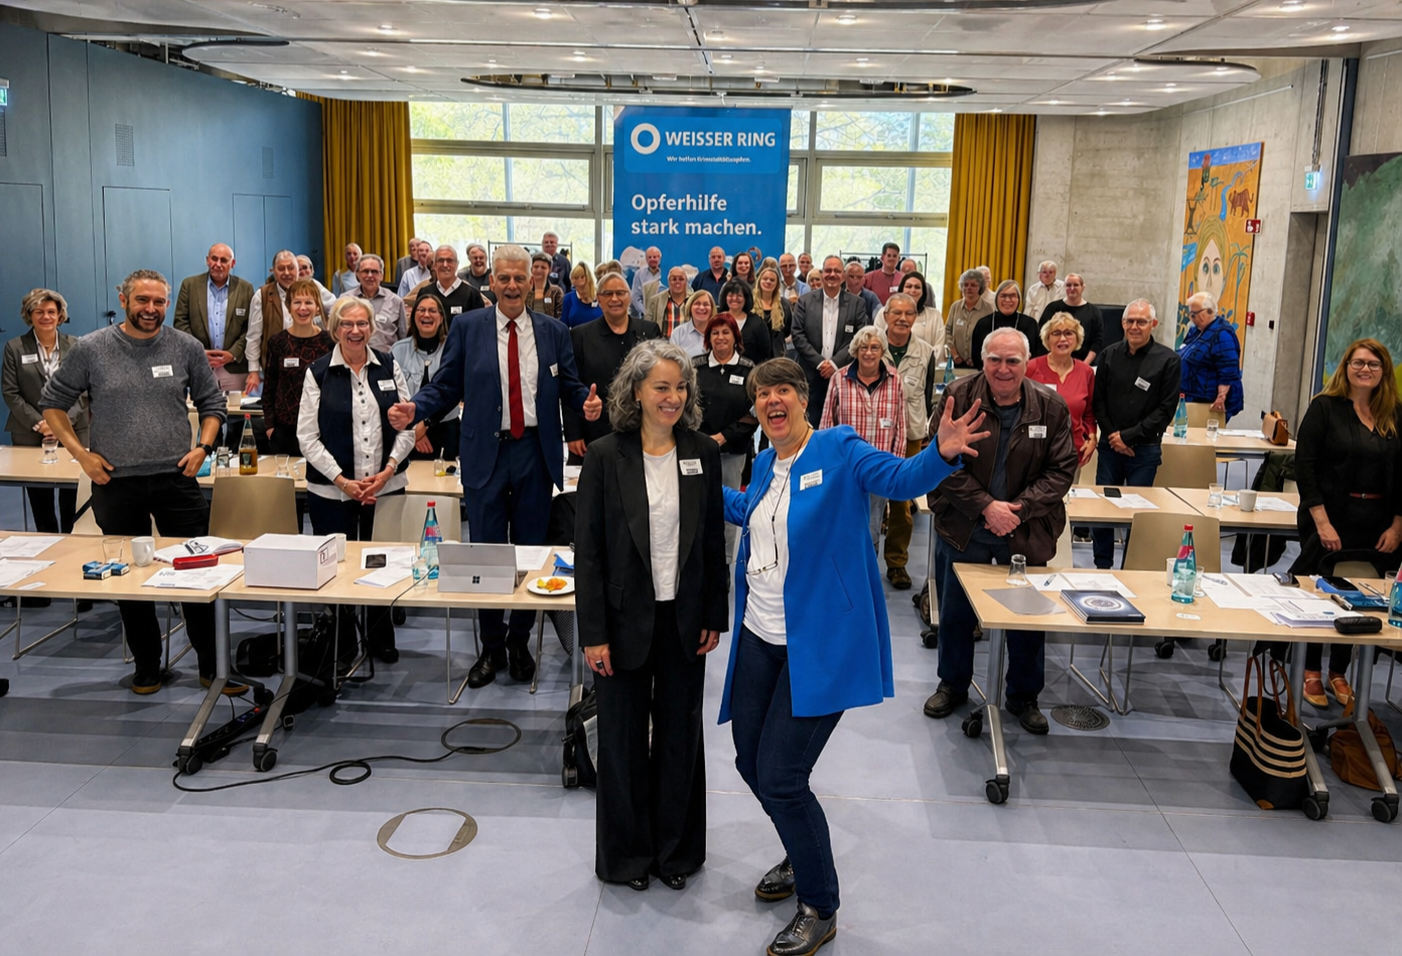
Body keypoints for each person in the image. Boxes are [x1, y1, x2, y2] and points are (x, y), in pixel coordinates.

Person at [720, 357, 986, 956]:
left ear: (803, 399)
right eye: (762, 394)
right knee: (749, 761)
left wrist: (940, 454)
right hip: (760, 634)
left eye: (783, 390)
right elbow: (749, 511)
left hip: (819, 643)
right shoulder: (763, 463)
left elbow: (900, 478)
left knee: (782, 777)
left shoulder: (838, 448)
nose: (772, 401)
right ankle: (800, 849)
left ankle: (819, 906)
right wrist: (689, 484)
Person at [387, 244, 603, 688]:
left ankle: (519, 641)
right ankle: (490, 646)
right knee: (485, 552)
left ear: (532, 281)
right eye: (503, 278)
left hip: (535, 454)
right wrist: (417, 409)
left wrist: (587, 403)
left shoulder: (553, 331)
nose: (511, 285)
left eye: (519, 278)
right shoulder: (467, 327)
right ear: (492, 282)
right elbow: (446, 385)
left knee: (528, 551)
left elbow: (571, 384)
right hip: (484, 454)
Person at [575, 340, 727, 892]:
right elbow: (589, 553)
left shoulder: (702, 453)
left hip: (684, 619)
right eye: (661, 387)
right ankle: (626, 857)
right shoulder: (604, 456)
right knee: (620, 741)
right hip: (621, 622)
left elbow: (712, 541)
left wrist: (714, 613)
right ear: (636, 390)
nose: (673, 397)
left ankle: (675, 852)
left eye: (681, 387)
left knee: (680, 736)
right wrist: (593, 633)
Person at [39, 269, 231, 695]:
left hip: (177, 478)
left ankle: (213, 665)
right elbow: (52, 404)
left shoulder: (185, 346)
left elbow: (212, 403)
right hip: (115, 481)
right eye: (142, 300)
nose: (150, 309)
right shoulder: (91, 348)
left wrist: (203, 446)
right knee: (129, 578)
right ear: (123, 300)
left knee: (198, 572)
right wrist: (81, 455)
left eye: (159, 302)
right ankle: (147, 665)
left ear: (167, 304)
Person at [924, 327, 1076, 735]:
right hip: (965, 525)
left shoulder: (1050, 406)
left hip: (1025, 529)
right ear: (983, 360)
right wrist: (986, 506)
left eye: (1012, 361)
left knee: (1027, 618)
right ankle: (952, 684)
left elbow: (1062, 469)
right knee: (956, 614)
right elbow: (938, 460)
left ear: (1027, 363)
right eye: (995, 360)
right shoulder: (957, 396)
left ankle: (1024, 696)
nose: (1003, 369)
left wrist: (1019, 510)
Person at [298, 297, 413, 663]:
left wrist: (389, 469)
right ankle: (343, 643)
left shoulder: (389, 366)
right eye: (347, 324)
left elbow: (408, 426)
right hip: (332, 492)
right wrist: (343, 481)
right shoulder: (318, 372)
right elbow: (307, 437)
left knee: (382, 564)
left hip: (386, 487)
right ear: (335, 329)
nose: (355, 330)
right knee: (338, 569)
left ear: (372, 328)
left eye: (362, 323)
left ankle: (380, 637)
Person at [1289, 338, 1402, 709]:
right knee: (1319, 594)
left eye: (1373, 364)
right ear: (1346, 367)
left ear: (1383, 370)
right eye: (1358, 362)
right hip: (1329, 518)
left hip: (1379, 523)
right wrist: (1322, 523)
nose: (1365, 369)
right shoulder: (1325, 407)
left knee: (1363, 598)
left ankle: (1339, 670)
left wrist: (1398, 525)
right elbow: (1304, 467)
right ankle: (1310, 668)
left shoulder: (1394, 413)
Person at [1090, 300, 1181, 568]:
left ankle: (1131, 567)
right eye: (1130, 321)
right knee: (1102, 509)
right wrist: (1114, 437)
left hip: (1145, 449)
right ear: (1122, 323)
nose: (1134, 326)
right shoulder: (1108, 355)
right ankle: (1102, 566)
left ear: (1153, 324)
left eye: (1141, 321)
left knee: (1138, 513)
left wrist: (1128, 437)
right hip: (1110, 448)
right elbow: (1099, 402)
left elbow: (1165, 410)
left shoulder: (1168, 360)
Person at [4, 289, 90, 535]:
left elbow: (84, 391)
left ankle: (72, 543)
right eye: (39, 312)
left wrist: (60, 423)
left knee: (72, 496)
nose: (46, 317)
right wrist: (41, 423)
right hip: (30, 431)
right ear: (29, 315)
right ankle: (47, 542)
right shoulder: (14, 347)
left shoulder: (76, 346)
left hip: (73, 428)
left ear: (60, 315)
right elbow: (10, 392)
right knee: (40, 498)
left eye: (51, 311)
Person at [819, 326, 907, 549]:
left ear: (882, 351)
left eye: (874, 347)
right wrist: (827, 465)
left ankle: (868, 569)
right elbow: (826, 425)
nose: (868, 353)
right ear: (855, 351)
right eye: (863, 348)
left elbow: (901, 427)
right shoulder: (839, 379)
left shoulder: (895, 380)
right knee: (843, 527)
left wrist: (896, 467)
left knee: (872, 530)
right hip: (845, 468)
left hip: (880, 468)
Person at [565, 272, 663, 459]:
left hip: (642, 429)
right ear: (598, 298)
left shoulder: (649, 331)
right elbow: (570, 385)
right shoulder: (580, 336)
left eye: (620, 293)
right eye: (608, 293)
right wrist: (573, 433)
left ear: (629, 296)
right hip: (594, 431)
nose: (615, 299)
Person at [877, 292, 938, 589]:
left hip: (910, 436)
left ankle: (897, 563)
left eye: (909, 314)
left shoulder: (925, 352)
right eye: (896, 313)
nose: (902, 319)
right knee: (864, 501)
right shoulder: (871, 345)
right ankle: (861, 561)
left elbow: (926, 396)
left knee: (902, 503)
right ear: (886, 316)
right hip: (873, 435)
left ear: (915, 317)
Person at [692, 312, 757, 561]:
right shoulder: (695, 367)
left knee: (727, 509)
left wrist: (724, 436)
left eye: (726, 332)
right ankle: (698, 557)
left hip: (733, 451)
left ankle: (725, 561)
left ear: (735, 337)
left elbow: (754, 414)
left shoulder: (748, 369)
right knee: (697, 503)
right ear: (708, 338)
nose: (720, 337)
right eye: (715, 333)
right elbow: (685, 407)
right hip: (697, 450)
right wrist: (702, 439)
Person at [262, 279, 333, 457]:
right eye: (297, 302)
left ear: (317, 307)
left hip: (322, 428)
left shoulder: (329, 342)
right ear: (288, 307)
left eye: (308, 302)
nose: (303, 308)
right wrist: (270, 427)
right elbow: (269, 387)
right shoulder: (277, 342)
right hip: (284, 430)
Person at [791, 256, 865, 426]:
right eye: (828, 270)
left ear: (843, 276)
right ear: (822, 273)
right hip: (810, 376)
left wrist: (834, 363)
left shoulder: (857, 304)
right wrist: (820, 362)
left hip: (844, 376)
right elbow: (797, 334)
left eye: (837, 271)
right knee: (809, 427)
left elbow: (859, 337)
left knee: (840, 427)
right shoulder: (805, 301)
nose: (832, 274)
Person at [173, 243, 256, 392]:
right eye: (214, 259)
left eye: (224, 260)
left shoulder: (245, 288)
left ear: (232, 263)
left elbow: (250, 327)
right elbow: (181, 323)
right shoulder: (190, 285)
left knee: (234, 407)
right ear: (207, 260)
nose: (218, 264)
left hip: (234, 369)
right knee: (199, 406)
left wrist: (233, 354)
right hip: (199, 366)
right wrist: (199, 351)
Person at [1027, 312, 1097, 478]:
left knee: (1069, 495)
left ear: (1077, 339)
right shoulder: (1030, 368)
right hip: (1034, 451)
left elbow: (1089, 413)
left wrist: (1092, 438)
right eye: (1056, 333)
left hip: (1072, 452)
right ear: (1047, 338)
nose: (1063, 339)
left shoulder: (1086, 372)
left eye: (1069, 333)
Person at [391, 294, 459, 463]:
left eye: (432, 310)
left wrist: (424, 424)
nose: (426, 314)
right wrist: (415, 431)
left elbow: (452, 392)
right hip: (408, 432)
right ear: (413, 317)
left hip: (446, 430)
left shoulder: (453, 349)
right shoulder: (398, 350)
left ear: (441, 318)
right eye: (421, 310)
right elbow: (393, 394)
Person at [1178, 291, 1244, 422]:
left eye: (1193, 314)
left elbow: (1229, 371)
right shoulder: (1196, 331)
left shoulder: (1222, 335)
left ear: (1206, 313)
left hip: (1207, 402)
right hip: (1191, 397)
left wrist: (1221, 397)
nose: (1191, 318)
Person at [244, 249, 301, 391]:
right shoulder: (262, 295)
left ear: (298, 269)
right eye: (281, 268)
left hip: (306, 366)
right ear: (273, 271)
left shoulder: (311, 290)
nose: (286, 273)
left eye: (291, 267)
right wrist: (253, 371)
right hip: (274, 369)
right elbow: (253, 337)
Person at [339, 253, 408, 354]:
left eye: (374, 272)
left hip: (386, 359)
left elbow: (403, 338)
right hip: (352, 357)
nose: (370, 275)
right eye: (365, 271)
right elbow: (336, 332)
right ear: (357, 274)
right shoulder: (344, 300)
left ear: (381, 275)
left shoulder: (396, 301)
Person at [873, 270, 944, 361]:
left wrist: (921, 364)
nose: (913, 290)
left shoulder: (935, 315)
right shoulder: (884, 312)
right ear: (901, 289)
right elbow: (876, 340)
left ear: (923, 292)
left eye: (917, 287)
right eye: (908, 286)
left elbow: (939, 347)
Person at [412, 245, 486, 328]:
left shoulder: (472, 295)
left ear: (457, 264)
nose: (445, 265)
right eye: (441, 260)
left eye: (450, 261)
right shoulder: (424, 293)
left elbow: (479, 328)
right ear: (435, 265)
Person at [1037, 273, 1103, 363]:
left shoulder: (1094, 312)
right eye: (1068, 285)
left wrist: (1084, 365)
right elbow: (1042, 336)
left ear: (1083, 287)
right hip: (1054, 362)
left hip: (1084, 362)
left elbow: (1097, 342)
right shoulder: (1052, 308)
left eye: (1076, 285)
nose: (1072, 288)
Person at [971, 280, 1042, 362]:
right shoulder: (983, 324)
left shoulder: (1030, 324)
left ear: (1018, 299)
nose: (1007, 300)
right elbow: (976, 356)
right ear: (996, 298)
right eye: (1003, 296)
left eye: (1012, 296)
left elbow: (1034, 356)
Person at [945, 268, 993, 368]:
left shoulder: (988, 308)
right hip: (957, 362)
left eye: (973, 285)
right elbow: (948, 331)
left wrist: (977, 358)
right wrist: (955, 355)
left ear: (980, 287)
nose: (969, 288)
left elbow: (991, 336)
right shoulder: (955, 307)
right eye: (965, 285)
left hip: (979, 364)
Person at [719, 279, 773, 364]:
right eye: (731, 295)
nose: (734, 299)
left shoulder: (758, 324)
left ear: (746, 298)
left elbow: (765, 353)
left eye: (739, 296)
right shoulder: (717, 320)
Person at [753, 264, 793, 360]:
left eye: (772, 280)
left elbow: (788, 330)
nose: (768, 282)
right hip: (754, 355)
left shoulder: (784, 304)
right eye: (765, 279)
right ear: (759, 281)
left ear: (777, 284)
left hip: (778, 355)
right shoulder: (750, 302)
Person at [647, 266, 691, 338]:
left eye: (681, 279)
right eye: (674, 279)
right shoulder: (655, 301)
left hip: (687, 343)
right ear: (668, 281)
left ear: (686, 281)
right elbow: (648, 327)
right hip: (663, 344)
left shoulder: (694, 301)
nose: (677, 282)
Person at [670, 290, 714, 360]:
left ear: (712, 309)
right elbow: (672, 361)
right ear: (690, 307)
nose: (701, 308)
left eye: (706, 304)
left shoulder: (718, 332)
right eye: (697, 304)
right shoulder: (678, 333)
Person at [561, 262, 604, 329]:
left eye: (582, 277)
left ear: (588, 278)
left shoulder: (601, 296)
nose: (579, 280)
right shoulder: (568, 298)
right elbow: (563, 326)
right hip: (575, 335)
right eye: (576, 278)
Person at [525, 251, 565, 320]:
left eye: (543, 267)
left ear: (549, 270)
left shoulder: (556, 291)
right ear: (531, 268)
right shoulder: (525, 290)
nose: (539, 270)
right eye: (536, 267)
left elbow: (560, 316)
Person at [630, 246, 663, 318]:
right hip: (644, 315)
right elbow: (635, 296)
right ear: (646, 259)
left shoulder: (666, 274)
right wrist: (645, 312)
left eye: (655, 257)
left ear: (660, 258)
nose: (652, 259)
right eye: (649, 257)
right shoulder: (639, 274)